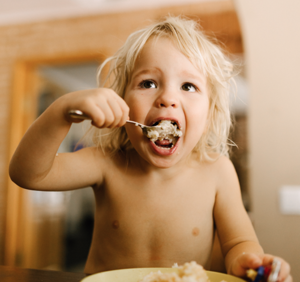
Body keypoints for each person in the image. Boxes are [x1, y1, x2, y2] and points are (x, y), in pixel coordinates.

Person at [9, 16, 292, 281]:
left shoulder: (217, 172)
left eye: (188, 86)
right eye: (148, 83)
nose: (167, 97)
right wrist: (61, 111)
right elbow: (28, 174)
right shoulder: (106, 163)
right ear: (122, 102)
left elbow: (238, 242)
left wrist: (249, 262)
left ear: (210, 111)